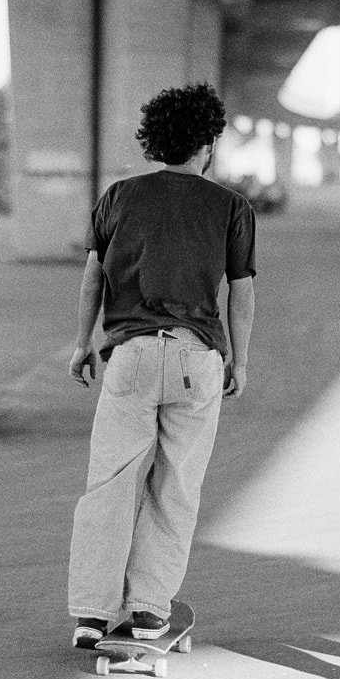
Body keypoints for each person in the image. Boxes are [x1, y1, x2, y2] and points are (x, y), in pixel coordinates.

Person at [67, 82, 256, 648]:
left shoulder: (119, 197)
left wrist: (82, 344)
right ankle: (149, 610)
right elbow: (241, 294)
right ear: (208, 144)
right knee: (175, 486)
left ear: (158, 140)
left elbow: (93, 278)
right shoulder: (231, 208)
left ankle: (92, 615)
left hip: (130, 356)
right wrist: (239, 360)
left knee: (109, 484)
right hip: (197, 358)